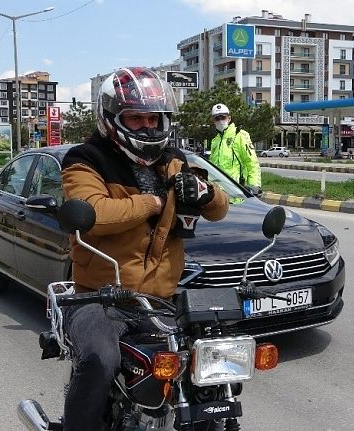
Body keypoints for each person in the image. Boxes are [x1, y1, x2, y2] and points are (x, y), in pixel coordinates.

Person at [60, 67, 229, 430]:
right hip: (100, 298)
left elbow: (220, 209)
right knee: (98, 360)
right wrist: (151, 204)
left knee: (212, 364)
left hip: (161, 298)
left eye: (153, 117)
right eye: (135, 118)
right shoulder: (84, 159)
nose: (147, 126)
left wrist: (207, 193)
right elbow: (95, 214)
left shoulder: (175, 160)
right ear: (111, 119)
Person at [208, 103, 262, 194]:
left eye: (223, 117)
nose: (220, 121)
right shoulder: (215, 141)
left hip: (237, 190)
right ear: (213, 120)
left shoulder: (240, 135)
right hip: (218, 192)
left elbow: (251, 162)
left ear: (229, 118)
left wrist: (254, 185)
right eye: (217, 118)